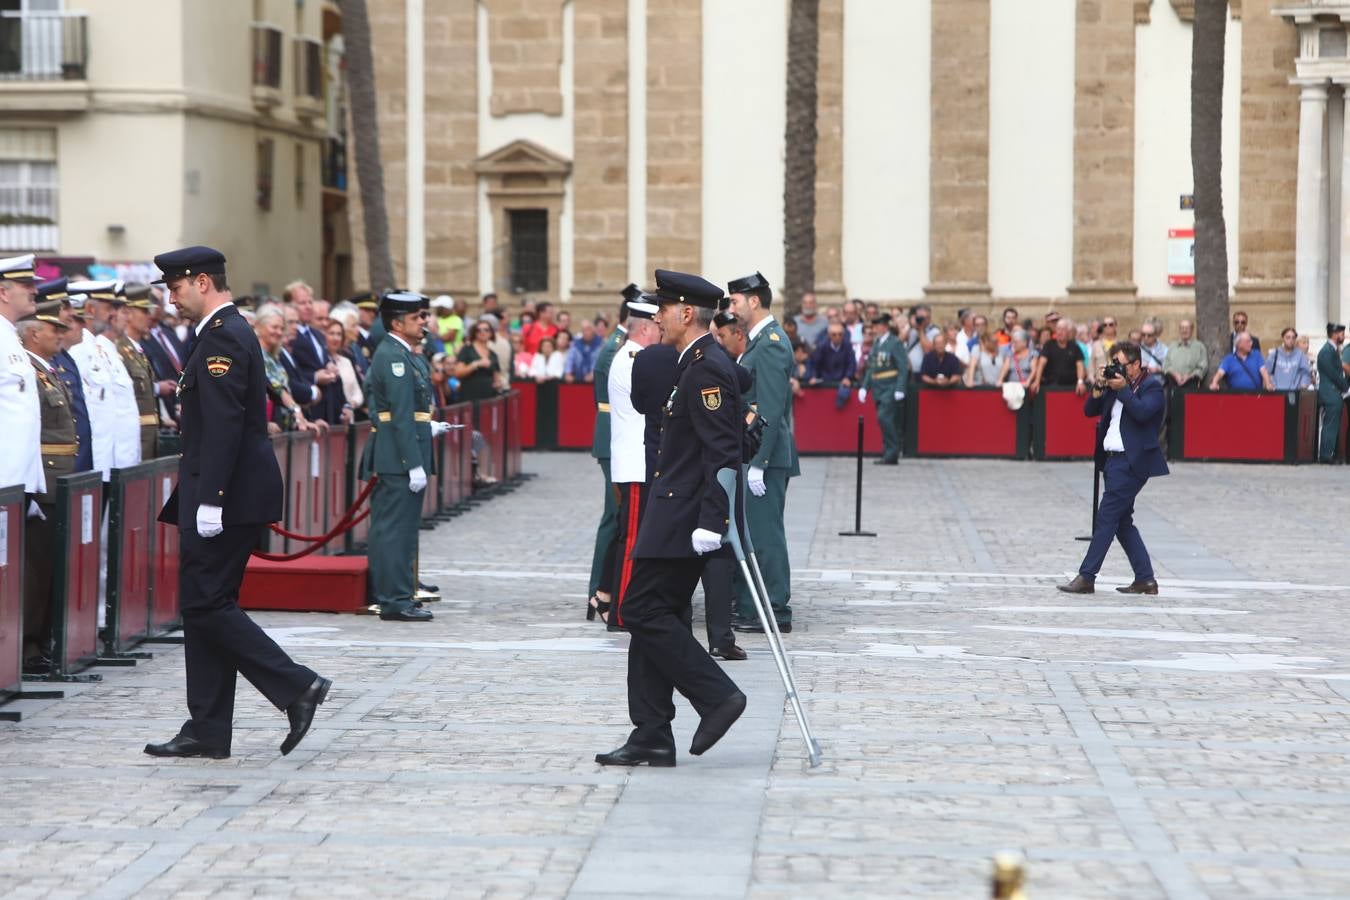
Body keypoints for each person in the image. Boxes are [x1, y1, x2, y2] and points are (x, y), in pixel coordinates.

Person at [147, 246, 330, 760]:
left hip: (225, 497)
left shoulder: (224, 335)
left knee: (206, 604)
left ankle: (296, 686)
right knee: (204, 607)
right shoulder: (220, 332)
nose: (171, 297)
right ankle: (208, 728)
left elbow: (225, 427)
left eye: (176, 287)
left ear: (202, 282)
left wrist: (212, 502)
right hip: (223, 491)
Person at [596, 269, 746, 768]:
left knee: (639, 610)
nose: (655, 317)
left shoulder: (705, 368)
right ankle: (652, 732)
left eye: (662, 309)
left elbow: (721, 451)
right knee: (653, 615)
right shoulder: (692, 362)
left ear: (686, 313)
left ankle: (716, 695)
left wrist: (712, 521)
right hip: (675, 509)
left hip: (684, 517)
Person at [360, 290, 455, 621]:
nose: (424, 321)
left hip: (401, 448)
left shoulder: (403, 353)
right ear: (398, 323)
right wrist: (413, 463)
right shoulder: (393, 357)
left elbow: (408, 413)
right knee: (394, 529)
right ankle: (394, 598)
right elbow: (399, 415)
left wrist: (427, 427)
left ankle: (398, 592)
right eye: (418, 317)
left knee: (400, 527)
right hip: (397, 456)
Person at [1059, 341, 1167, 596]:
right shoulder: (1114, 385)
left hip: (1132, 461)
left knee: (1106, 516)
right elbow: (1089, 410)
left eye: (1121, 364)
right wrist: (1099, 386)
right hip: (1111, 461)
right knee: (1121, 522)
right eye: (1113, 363)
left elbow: (1142, 413)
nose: (1116, 369)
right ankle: (1145, 579)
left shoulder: (1152, 387)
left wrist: (1123, 390)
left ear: (1136, 364)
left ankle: (1086, 576)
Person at [727, 271, 799, 635]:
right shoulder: (759, 341)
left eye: (735, 301)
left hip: (765, 458)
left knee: (765, 534)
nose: (731, 307)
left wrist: (759, 463)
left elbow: (768, 407)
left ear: (754, 301)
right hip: (757, 453)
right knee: (753, 532)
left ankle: (774, 607)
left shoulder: (769, 343)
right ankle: (754, 605)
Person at [596, 300, 663, 628]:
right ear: (646, 328)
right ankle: (621, 611)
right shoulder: (634, 359)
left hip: (637, 460)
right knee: (632, 537)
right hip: (637, 461)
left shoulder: (631, 357)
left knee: (629, 532)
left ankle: (612, 597)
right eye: (658, 327)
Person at [18, 304, 75, 674]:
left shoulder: (46, 370)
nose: (60, 333)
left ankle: (42, 642)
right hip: (44, 480)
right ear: (33, 334)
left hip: (59, 479)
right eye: (51, 328)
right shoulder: (26, 369)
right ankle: (28, 648)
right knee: (36, 568)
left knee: (51, 566)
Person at [586, 286, 636, 619]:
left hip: (613, 436)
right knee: (614, 518)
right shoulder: (617, 348)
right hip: (612, 437)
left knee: (615, 516)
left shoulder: (618, 345)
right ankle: (600, 590)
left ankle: (602, 589)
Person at [68, 279, 141, 480]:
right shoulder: (78, 349)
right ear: (90, 309)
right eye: (109, 308)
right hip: (94, 461)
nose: (113, 315)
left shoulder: (99, 348)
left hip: (110, 458)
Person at [0, 255, 42, 510]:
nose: (35, 290)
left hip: (18, 476)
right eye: (26, 284)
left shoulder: (10, 335)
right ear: (3, 292)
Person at [116, 286, 167, 460]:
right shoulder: (120, 349)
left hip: (147, 437)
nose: (150, 316)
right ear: (128, 313)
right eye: (144, 311)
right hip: (133, 438)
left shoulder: (136, 349)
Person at [286, 281, 346, 425]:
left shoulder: (317, 334)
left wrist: (329, 365)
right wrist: (314, 377)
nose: (308, 307)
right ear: (289, 305)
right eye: (302, 303)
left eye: (310, 302)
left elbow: (323, 361)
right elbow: (289, 372)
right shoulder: (288, 337)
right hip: (309, 407)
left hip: (328, 407)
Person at [857, 314, 908, 465]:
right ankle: (888, 452)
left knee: (884, 417)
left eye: (877, 326)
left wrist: (900, 388)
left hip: (890, 386)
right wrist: (864, 387)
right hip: (878, 387)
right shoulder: (877, 343)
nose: (875, 329)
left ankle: (893, 451)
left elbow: (903, 367)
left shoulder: (895, 343)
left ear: (885, 326)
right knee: (883, 420)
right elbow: (872, 367)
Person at [1317, 323, 1349, 463]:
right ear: (1335, 334)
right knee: (1330, 424)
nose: (1343, 336)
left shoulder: (1333, 350)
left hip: (1334, 392)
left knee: (1333, 424)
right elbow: (1334, 374)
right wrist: (1346, 388)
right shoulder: (1326, 351)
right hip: (1330, 392)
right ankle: (1326, 454)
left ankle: (1331, 453)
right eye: (1341, 333)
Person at [453, 319, 501, 402]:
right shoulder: (467, 350)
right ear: (474, 333)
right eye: (479, 330)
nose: (483, 332)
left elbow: (496, 378)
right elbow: (458, 373)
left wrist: (498, 383)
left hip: (488, 399)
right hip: (469, 398)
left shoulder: (493, 355)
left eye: (486, 329)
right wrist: (476, 364)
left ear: (491, 333)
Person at [1036, 318, 1087, 394]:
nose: (1060, 332)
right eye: (1058, 329)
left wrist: (1080, 382)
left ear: (1068, 332)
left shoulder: (1075, 347)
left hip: (1071, 388)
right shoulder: (1049, 345)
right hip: (1050, 387)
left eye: (1063, 329)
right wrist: (1037, 381)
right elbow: (1041, 363)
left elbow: (1080, 365)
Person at [325, 320, 362, 420]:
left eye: (339, 334)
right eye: (331, 333)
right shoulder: (320, 361)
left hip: (349, 417)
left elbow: (358, 392)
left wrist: (350, 405)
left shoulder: (346, 361)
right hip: (331, 419)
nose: (335, 338)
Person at [1162, 319, 1208, 388]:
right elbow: (1166, 365)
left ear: (1192, 330)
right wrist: (1175, 374)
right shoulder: (1172, 346)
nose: (1184, 330)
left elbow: (1203, 367)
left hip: (1191, 384)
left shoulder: (1199, 347)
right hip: (1172, 384)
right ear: (1179, 330)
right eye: (1182, 328)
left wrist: (1189, 376)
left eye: (1187, 328)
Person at [564, 318, 604, 383]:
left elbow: (602, 363)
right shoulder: (575, 345)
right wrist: (568, 373)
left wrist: (593, 374)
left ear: (593, 330)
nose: (586, 332)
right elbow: (570, 360)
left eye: (588, 329)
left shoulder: (600, 344)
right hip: (577, 381)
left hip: (595, 381)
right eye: (584, 330)